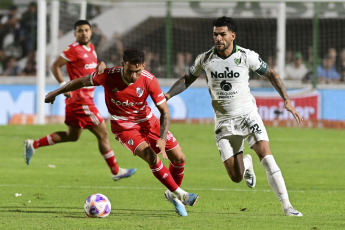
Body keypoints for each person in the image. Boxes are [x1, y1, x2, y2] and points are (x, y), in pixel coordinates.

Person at [165, 16, 303, 217]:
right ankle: (246, 163)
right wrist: (168, 94)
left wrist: (287, 100)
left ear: (232, 35)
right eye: (215, 34)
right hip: (224, 122)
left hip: (248, 115)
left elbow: (271, 74)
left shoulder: (247, 56)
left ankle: (287, 206)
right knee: (235, 177)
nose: (218, 38)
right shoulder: (205, 59)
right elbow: (187, 79)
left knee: (267, 156)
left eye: (222, 34)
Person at [44, 48, 199, 217]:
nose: (134, 76)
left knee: (180, 158)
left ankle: (173, 194)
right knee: (151, 157)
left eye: (138, 71)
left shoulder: (149, 80)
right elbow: (80, 81)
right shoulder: (108, 75)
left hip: (149, 122)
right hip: (124, 127)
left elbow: (165, 112)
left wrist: (162, 138)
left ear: (144, 66)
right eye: (130, 71)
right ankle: (181, 194)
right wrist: (55, 92)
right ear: (123, 64)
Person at [24, 20, 136, 182]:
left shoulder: (91, 48)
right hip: (81, 101)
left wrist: (101, 65)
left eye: (86, 30)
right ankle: (116, 171)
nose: (83, 33)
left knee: (72, 136)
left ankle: (33, 144)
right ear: (75, 34)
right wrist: (63, 85)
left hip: (80, 101)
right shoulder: (73, 49)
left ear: (91, 32)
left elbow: (91, 68)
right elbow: (55, 66)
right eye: (79, 31)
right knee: (103, 134)